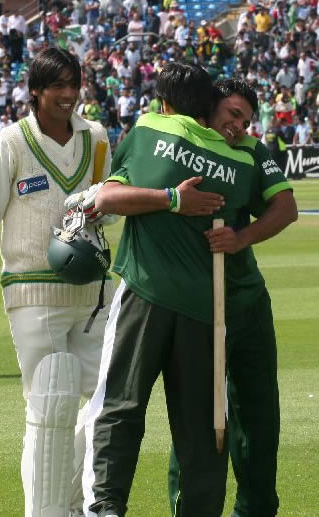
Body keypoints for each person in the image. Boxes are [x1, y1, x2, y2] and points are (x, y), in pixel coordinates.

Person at [81, 63, 271, 517]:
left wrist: (170, 198)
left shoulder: (149, 130)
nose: (239, 125)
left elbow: (102, 200)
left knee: (119, 406)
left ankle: (105, 507)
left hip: (145, 293)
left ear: (163, 103)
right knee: (203, 426)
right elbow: (280, 205)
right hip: (208, 308)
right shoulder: (244, 157)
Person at [0, 47, 115, 517]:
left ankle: (70, 503)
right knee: (50, 405)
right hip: (31, 290)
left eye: (74, 84)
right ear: (35, 91)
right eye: (58, 86)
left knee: (106, 405)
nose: (68, 94)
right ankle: (45, 512)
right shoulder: (10, 142)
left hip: (92, 294)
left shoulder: (98, 140)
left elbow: (107, 206)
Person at [167, 79, 298, 517]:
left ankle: (255, 509)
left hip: (246, 302)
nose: (238, 125)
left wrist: (242, 238)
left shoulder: (254, 152)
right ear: (208, 109)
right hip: (193, 305)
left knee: (259, 417)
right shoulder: (180, 145)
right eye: (232, 113)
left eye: (245, 119)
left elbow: (285, 207)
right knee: (197, 421)